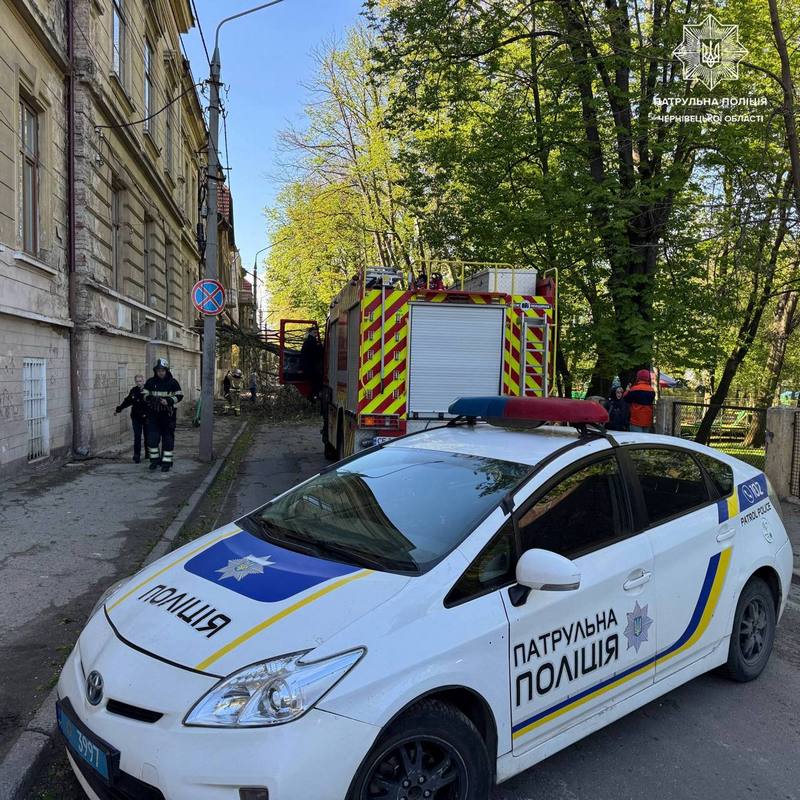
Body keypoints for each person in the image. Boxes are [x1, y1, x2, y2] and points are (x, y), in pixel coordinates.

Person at [143, 358, 183, 472]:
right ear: (155, 371)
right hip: (153, 415)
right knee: (152, 439)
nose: (160, 372)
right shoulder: (150, 382)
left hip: (168, 416)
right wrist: (151, 398)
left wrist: (168, 401)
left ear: (166, 370)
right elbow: (144, 394)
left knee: (168, 440)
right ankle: (154, 461)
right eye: (158, 370)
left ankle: (166, 462)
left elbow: (180, 396)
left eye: (162, 370)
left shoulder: (173, 382)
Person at [114, 374, 147, 462]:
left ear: (143, 381)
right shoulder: (134, 391)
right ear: (135, 382)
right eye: (137, 381)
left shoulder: (148, 390)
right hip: (136, 417)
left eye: (140, 381)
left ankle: (148, 454)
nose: (139, 383)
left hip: (147, 417)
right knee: (137, 436)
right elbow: (127, 401)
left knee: (147, 437)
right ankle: (137, 456)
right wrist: (119, 409)